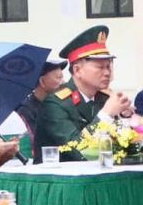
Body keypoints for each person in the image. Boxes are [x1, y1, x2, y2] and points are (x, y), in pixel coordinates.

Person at [35, 28, 136, 159]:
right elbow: (79, 151)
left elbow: (122, 148)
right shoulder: (54, 104)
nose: (107, 73)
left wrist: (126, 118)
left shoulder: (103, 99)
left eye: (108, 66)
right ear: (77, 70)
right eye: (100, 67)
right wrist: (106, 114)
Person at [15, 58, 67, 139]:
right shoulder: (26, 110)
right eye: (59, 77)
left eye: (62, 77)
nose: (63, 82)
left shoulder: (62, 104)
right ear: (42, 81)